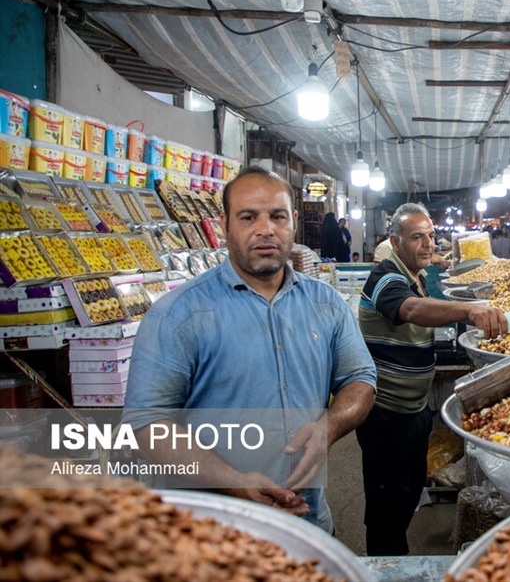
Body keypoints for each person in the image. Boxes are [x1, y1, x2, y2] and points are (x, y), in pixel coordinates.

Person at [124, 167, 377, 532]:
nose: (265, 229)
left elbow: (360, 378)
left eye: (277, 216)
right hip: (212, 530)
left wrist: (329, 427)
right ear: (225, 225)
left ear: (293, 221)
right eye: (248, 217)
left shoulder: (326, 303)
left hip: (307, 517)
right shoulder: (179, 315)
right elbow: (146, 424)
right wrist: (233, 481)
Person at [357, 203, 508, 556]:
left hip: (414, 410)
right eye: (417, 237)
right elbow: (411, 309)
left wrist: (446, 263)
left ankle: (396, 557)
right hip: (386, 414)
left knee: (408, 492)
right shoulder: (386, 279)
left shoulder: (415, 274)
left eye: (430, 236)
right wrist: (471, 310)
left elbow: (432, 270)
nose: (427, 244)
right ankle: (384, 568)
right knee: (387, 507)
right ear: (395, 242)